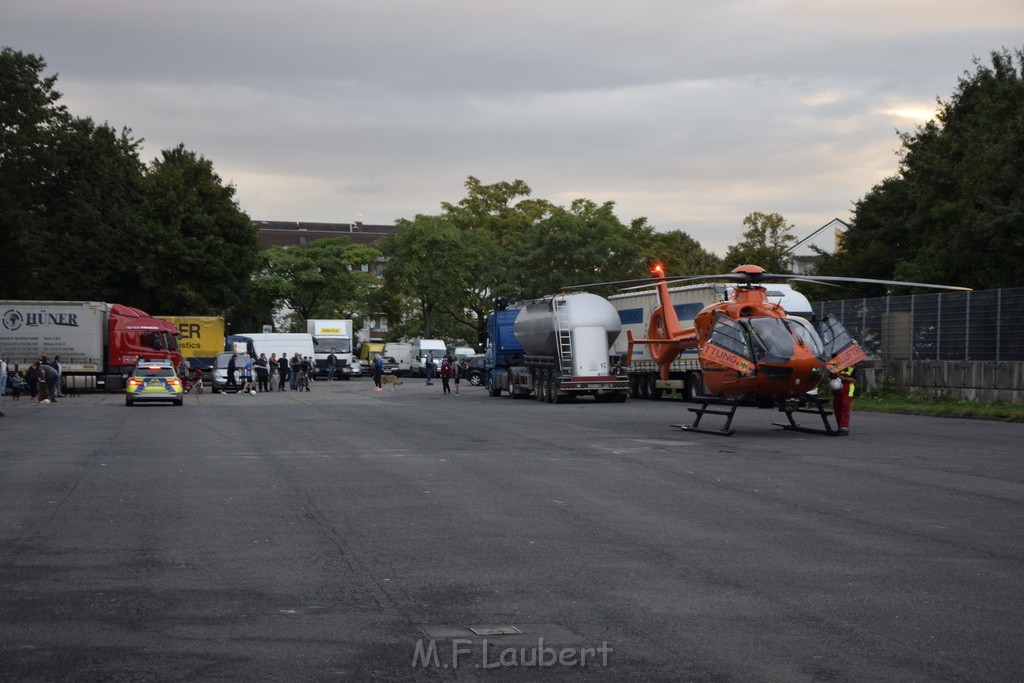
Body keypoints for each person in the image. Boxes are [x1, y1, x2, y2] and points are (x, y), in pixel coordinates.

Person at [830, 366, 856, 436]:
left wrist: (845, 378)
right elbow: (831, 378)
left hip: (847, 393)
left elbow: (854, 380)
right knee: (837, 410)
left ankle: (844, 429)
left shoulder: (851, 369)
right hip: (837, 393)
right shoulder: (835, 368)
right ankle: (840, 428)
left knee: (844, 411)